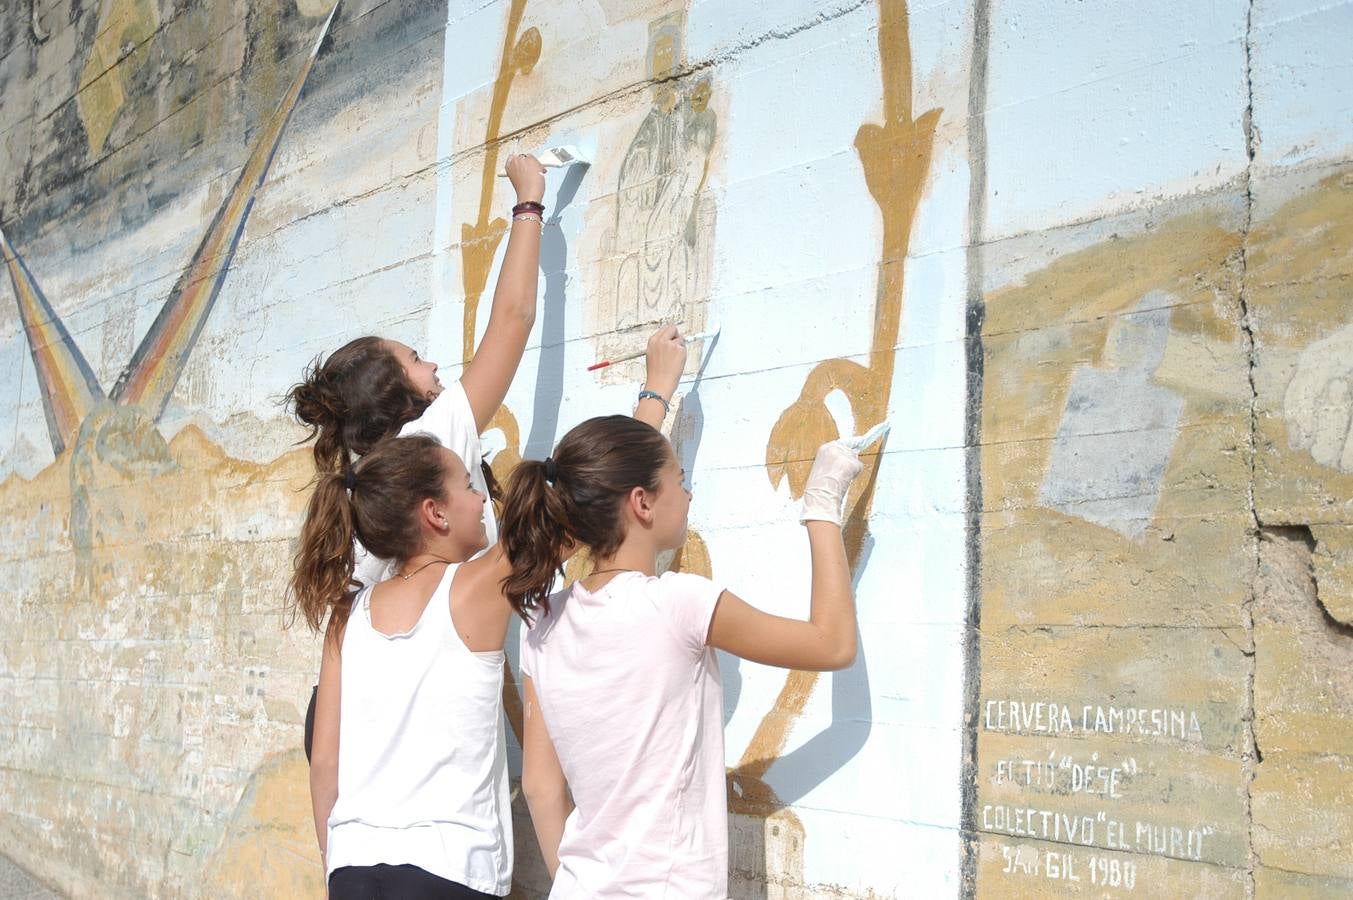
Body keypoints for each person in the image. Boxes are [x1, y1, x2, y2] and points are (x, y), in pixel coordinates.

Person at [498, 415, 866, 897]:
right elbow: (832, 644)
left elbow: (540, 786)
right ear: (642, 502)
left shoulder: (541, 625)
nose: (688, 494)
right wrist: (822, 505)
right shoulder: (678, 602)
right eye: (680, 479)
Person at [295, 433, 514, 897]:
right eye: (469, 485)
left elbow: (325, 762)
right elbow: (581, 508)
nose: (481, 499)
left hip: (351, 868)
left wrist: (336, 864)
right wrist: (652, 404)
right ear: (435, 513)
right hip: (447, 867)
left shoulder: (346, 614)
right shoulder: (477, 586)